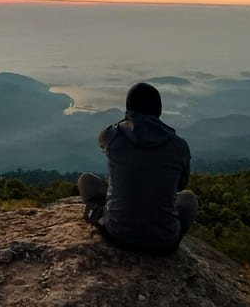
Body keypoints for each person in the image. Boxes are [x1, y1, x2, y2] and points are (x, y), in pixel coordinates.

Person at [77, 82, 198, 254]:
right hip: (164, 243)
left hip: (117, 235)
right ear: (159, 110)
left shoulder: (112, 135)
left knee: (86, 180)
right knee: (189, 199)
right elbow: (180, 186)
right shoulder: (179, 146)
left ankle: (99, 213)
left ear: (128, 109)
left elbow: (101, 141)